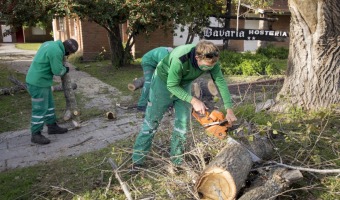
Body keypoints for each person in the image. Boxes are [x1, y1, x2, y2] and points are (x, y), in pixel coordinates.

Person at [132, 40, 237, 169]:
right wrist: (194, 100)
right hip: (162, 84)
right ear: (197, 57)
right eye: (205, 67)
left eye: (211, 67)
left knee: (182, 125)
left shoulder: (212, 58)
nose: (209, 69)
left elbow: (220, 82)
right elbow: (172, 85)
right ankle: (137, 161)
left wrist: (229, 109)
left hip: (184, 84)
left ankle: (176, 161)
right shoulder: (180, 57)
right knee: (151, 124)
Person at [26, 39, 79, 145]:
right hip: (38, 83)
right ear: (67, 51)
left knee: (49, 105)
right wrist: (65, 69)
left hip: (42, 81)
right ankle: (35, 134)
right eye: (69, 54)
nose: (67, 56)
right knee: (40, 108)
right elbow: (57, 71)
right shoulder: (56, 51)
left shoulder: (50, 44)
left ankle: (52, 126)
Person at [137, 46, 173, 112]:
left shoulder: (171, 55)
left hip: (155, 62)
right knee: (149, 82)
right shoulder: (164, 55)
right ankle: (141, 105)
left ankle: (167, 102)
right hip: (147, 62)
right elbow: (164, 70)